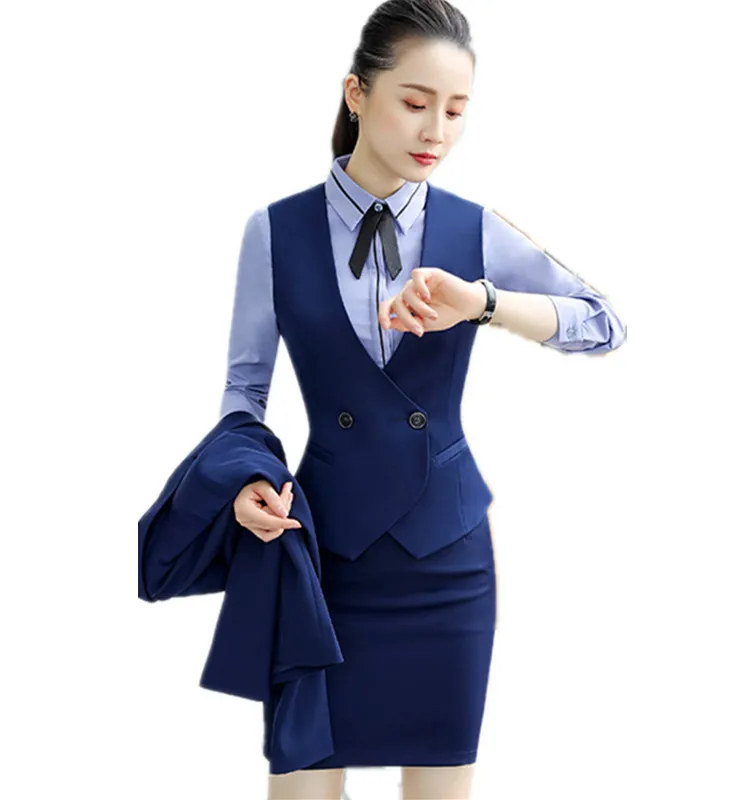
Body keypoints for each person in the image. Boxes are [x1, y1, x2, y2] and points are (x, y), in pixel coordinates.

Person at [222, 2, 627, 798]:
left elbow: (604, 324)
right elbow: (245, 390)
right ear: (356, 93)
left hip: (446, 565)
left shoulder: (476, 230)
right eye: (415, 102)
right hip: (321, 554)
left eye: (456, 109)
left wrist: (483, 303)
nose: (436, 131)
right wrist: (244, 479)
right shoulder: (275, 231)